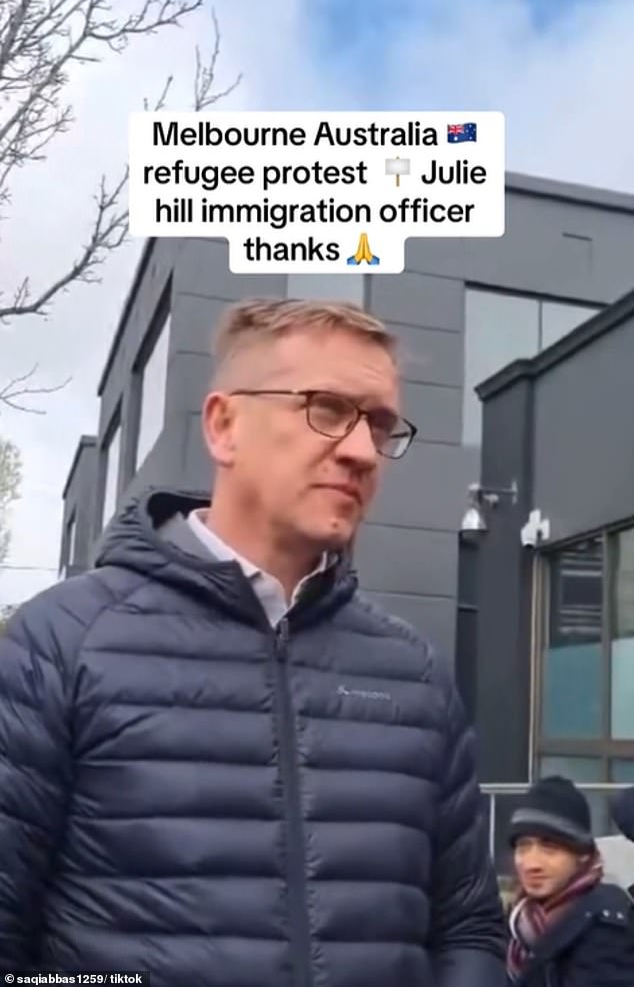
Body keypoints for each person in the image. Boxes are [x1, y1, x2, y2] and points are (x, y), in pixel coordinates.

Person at [0, 298, 506, 986]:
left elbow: (467, 927)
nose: (361, 451)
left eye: (380, 423)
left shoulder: (411, 672)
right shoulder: (61, 642)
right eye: (326, 409)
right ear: (224, 425)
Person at [506, 775, 634, 986]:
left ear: (582, 855)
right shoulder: (518, 921)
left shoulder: (608, 926)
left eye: (549, 848)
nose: (532, 863)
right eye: (523, 846)